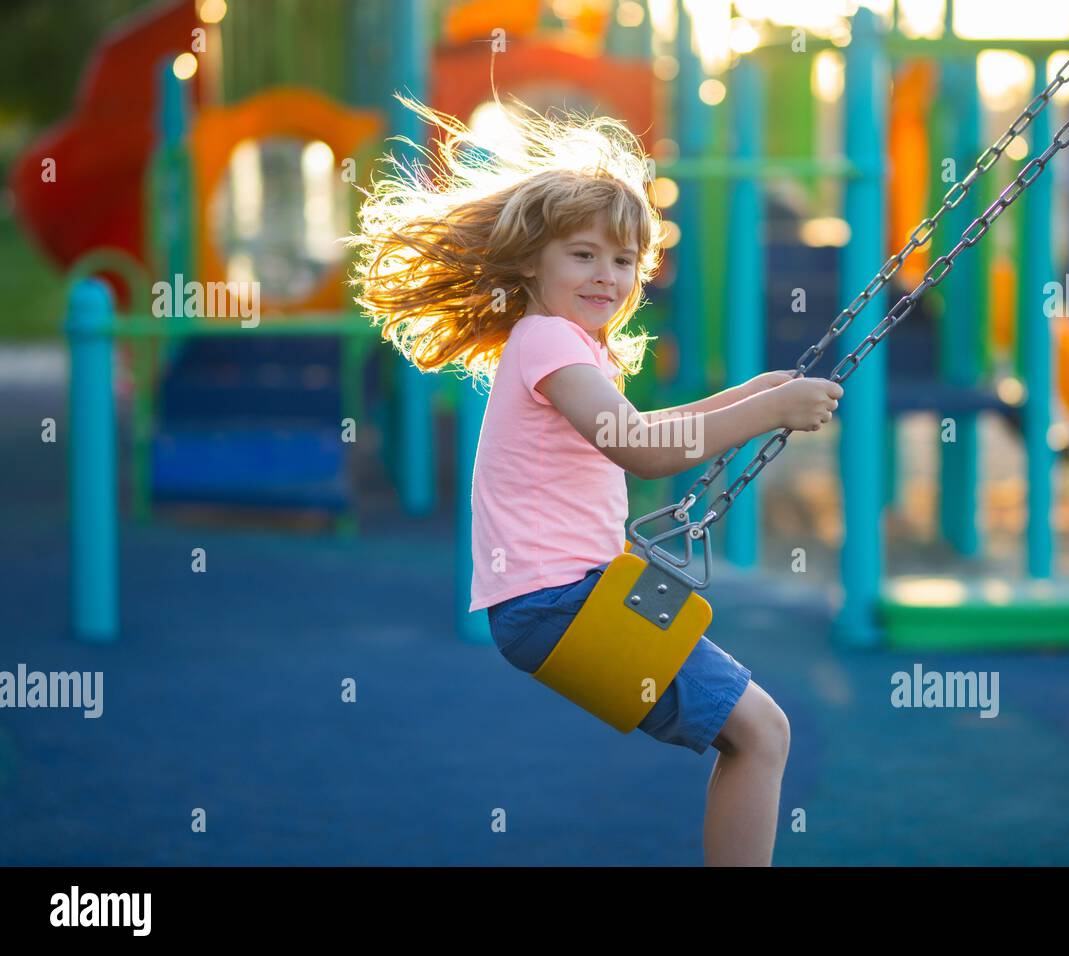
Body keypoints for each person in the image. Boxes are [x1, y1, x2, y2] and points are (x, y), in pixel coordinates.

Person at [350, 93, 842, 866]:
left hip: (570, 594)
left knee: (756, 732)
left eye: (622, 260)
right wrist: (770, 406)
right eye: (582, 255)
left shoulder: (567, 346)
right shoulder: (547, 340)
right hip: (557, 601)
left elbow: (641, 427)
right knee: (761, 732)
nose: (606, 275)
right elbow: (639, 446)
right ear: (532, 262)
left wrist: (753, 394)